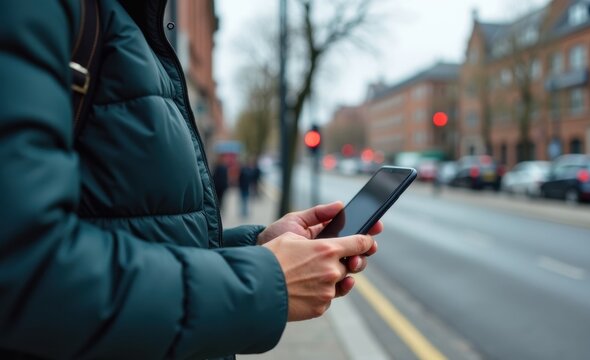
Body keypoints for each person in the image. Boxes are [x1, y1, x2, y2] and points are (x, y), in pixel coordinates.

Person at [0, 2, 381, 359]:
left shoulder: (134, 26)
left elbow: (134, 230)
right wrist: (267, 282)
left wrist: (257, 249)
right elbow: (25, 267)